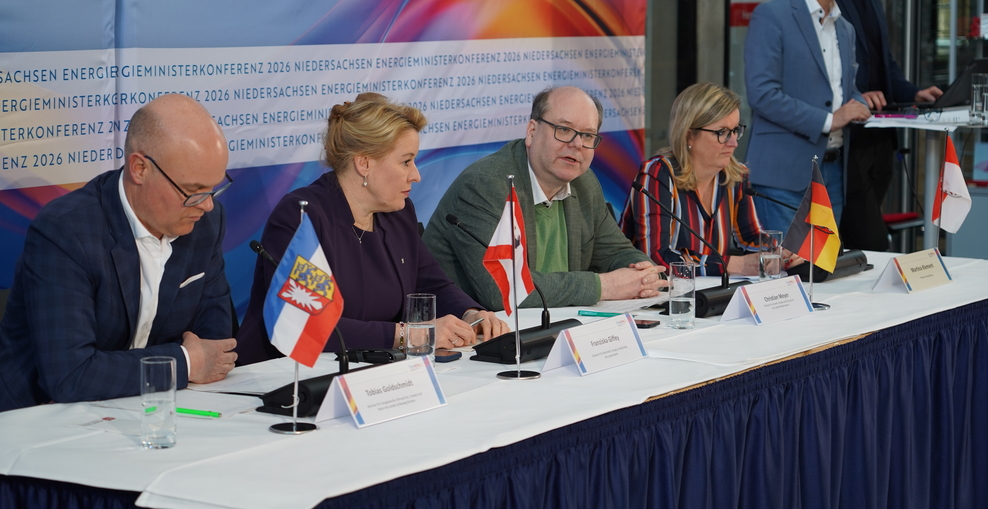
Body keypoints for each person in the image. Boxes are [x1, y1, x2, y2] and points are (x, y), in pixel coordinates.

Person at [0, 94, 238, 412]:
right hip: (40, 419)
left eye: (214, 188)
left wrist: (195, 361)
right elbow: (71, 375)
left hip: (149, 409)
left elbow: (215, 345)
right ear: (139, 169)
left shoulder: (206, 221)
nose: (207, 204)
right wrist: (183, 361)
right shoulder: (66, 231)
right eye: (194, 190)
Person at [235, 93, 507, 366]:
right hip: (281, 378)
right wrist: (408, 335)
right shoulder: (302, 216)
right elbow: (307, 324)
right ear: (364, 163)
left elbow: (429, 283)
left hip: (373, 371)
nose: (416, 175)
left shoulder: (398, 212)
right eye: (405, 161)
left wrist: (471, 314)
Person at [423, 86, 665, 310]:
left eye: (588, 135)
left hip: (555, 327)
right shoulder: (487, 185)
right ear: (532, 131)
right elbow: (505, 290)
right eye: (564, 130)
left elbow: (616, 252)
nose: (577, 144)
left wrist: (644, 274)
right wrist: (606, 286)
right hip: (470, 336)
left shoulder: (584, 183)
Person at [621, 82, 802, 276]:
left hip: (709, 294)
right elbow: (657, 258)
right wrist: (732, 265)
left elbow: (750, 238)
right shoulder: (658, 174)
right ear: (689, 135)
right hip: (647, 297)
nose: (733, 143)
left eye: (735, 130)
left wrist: (780, 253)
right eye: (722, 133)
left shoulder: (735, 175)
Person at [745, 0, 872, 234]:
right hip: (783, 174)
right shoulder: (772, 14)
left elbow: (845, 90)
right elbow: (762, 93)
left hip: (833, 171)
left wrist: (861, 103)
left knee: (824, 268)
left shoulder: (845, 27)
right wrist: (829, 120)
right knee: (784, 268)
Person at [836, 0, 942, 251]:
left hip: (881, 138)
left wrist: (915, 93)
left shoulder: (873, 4)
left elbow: (886, 65)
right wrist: (859, 94)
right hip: (848, 138)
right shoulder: (827, 5)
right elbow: (825, 68)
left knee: (861, 237)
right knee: (870, 240)